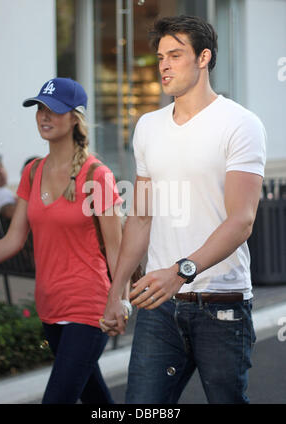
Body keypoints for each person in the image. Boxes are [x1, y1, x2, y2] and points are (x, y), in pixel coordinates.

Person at [101, 15, 266, 404]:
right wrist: (116, 291)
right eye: (160, 57)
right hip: (159, 310)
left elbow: (241, 220)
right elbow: (141, 217)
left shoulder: (240, 124)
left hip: (222, 306)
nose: (164, 66)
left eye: (175, 55)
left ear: (203, 57)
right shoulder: (148, 127)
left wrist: (179, 272)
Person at [0, 77, 128, 404]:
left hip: (88, 307)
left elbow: (117, 249)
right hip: (49, 306)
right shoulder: (33, 172)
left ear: (75, 118)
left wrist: (117, 299)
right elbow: (13, 240)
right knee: (94, 396)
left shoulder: (97, 175)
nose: (44, 116)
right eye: (40, 108)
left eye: (54, 110)